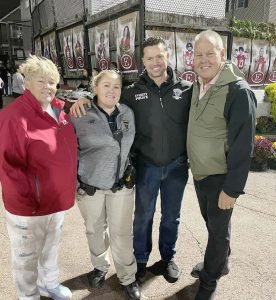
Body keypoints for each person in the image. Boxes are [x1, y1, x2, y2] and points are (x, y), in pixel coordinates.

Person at [70, 37, 192, 284]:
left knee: (171, 216)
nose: (155, 62)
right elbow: (106, 102)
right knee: (143, 215)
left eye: (160, 56)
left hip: (177, 167)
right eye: (149, 58)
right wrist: (83, 100)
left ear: (168, 56)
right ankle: (141, 260)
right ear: (143, 61)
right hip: (146, 166)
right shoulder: (132, 93)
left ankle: (167, 258)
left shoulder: (188, 90)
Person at [0, 55, 77, 300]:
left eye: (52, 81)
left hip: (54, 201)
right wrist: (28, 203)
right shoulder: (14, 116)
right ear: (26, 83)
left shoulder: (58, 110)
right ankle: (28, 295)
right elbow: (10, 166)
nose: (48, 86)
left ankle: (49, 284)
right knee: (26, 257)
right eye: (41, 81)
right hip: (29, 208)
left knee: (50, 248)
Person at [187, 30, 257, 299]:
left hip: (221, 177)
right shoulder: (198, 84)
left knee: (217, 232)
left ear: (222, 55)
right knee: (214, 226)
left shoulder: (237, 91)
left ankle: (210, 278)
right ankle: (221, 262)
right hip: (201, 174)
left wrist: (232, 189)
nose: (203, 59)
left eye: (209, 53)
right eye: (198, 54)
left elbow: (243, 145)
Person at [70, 70, 141, 300]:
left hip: (121, 186)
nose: (112, 90)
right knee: (95, 230)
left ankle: (128, 277)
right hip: (90, 187)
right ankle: (100, 267)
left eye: (116, 86)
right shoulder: (79, 113)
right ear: (95, 88)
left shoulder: (128, 113)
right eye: (106, 85)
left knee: (122, 233)